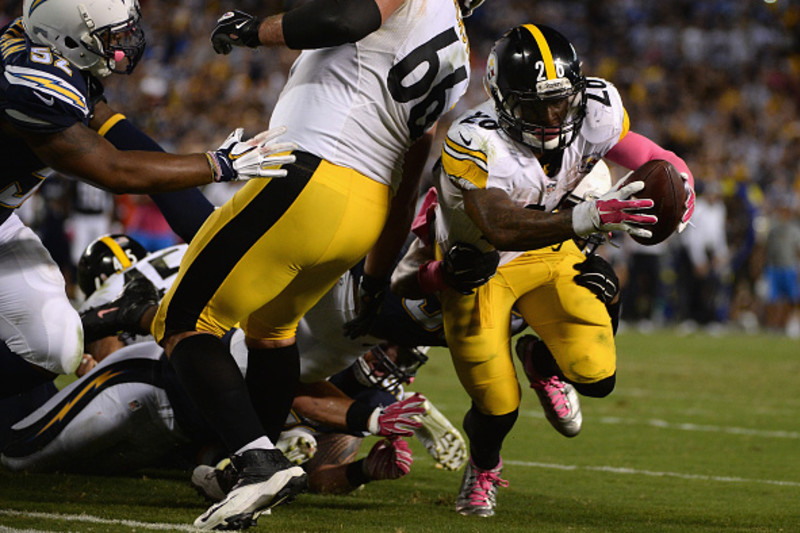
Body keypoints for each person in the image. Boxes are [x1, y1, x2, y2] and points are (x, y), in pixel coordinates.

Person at [150, 0, 476, 528]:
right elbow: (408, 186)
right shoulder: (459, 56)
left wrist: (254, 30)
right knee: (272, 330)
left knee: (184, 320)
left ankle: (259, 463)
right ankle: (245, 466)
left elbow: (343, 20)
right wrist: (373, 280)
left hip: (310, 176)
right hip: (363, 211)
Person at [414, 24, 696, 517]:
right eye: (532, 105)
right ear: (502, 101)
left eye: (558, 102)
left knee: (597, 373)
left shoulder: (595, 107)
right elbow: (500, 226)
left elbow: (650, 157)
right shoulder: (473, 138)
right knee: (497, 402)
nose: (549, 116)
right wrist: (589, 216)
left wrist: (682, 183)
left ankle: (542, 360)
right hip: (481, 265)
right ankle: (484, 468)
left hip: (551, 248)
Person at [0, 0, 294, 410]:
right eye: (112, 36)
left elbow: (117, 132)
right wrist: (216, 164)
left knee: (56, 345)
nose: (126, 44)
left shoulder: (51, 51)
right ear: (67, 34)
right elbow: (114, 169)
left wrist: (207, 226)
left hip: (3, 223)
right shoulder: (29, 81)